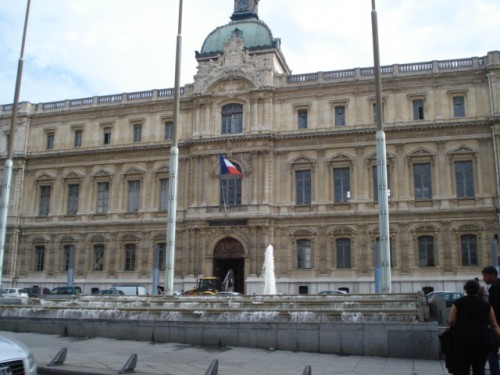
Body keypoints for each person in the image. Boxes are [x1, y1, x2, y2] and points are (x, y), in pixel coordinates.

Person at [448, 279, 500, 375]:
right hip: (482, 339)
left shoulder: (458, 303)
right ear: (478, 290)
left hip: (462, 339)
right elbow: (494, 325)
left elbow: (452, 321)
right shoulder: (486, 305)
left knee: (463, 367)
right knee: (479, 367)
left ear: (466, 290)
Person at [482, 266, 500, 375]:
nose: (484, 279)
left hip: (497, 324)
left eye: (485, 276)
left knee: (492, 351)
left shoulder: (495, 288)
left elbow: (493, 308)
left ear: (493, 275)